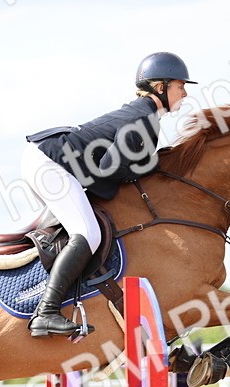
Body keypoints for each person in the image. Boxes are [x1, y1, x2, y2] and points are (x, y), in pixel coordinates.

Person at [21, 52, 196, 337]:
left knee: (79, 227)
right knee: (88, 233)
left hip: (47, 159)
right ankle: (46, 311)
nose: (185, 93)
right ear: (161, 87)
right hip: (48, 164)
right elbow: (108, 167)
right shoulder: (143, 119)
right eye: (180, 85)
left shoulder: (144, 116)